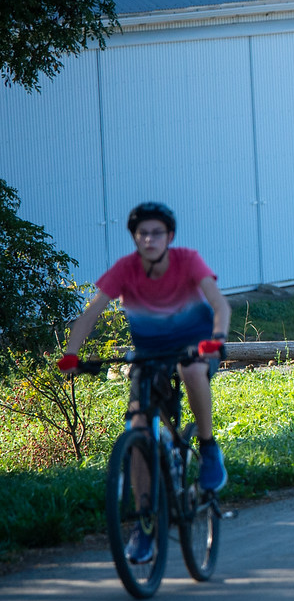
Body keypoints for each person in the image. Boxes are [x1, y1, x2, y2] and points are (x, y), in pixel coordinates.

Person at [58, 203, 231, 564]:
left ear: (169, 237)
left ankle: (208, 446)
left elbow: (220, 306)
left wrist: (216, 338)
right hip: (149, 353)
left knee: (192, 370)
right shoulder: (126, 269)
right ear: (135, 238)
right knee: (138, 430)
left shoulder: (188, 260)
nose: (149, 239)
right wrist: (72, 354)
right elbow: (90, 314)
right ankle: (144, 525)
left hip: (196, 345)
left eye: (157, 233)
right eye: (142, 233)